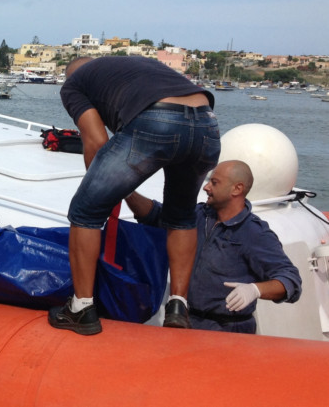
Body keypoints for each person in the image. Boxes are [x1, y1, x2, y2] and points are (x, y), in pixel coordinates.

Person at [48, 56, 221, 336]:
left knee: (85, 212)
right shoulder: (129, 66)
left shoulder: (74, 85)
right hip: (207, 125)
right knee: (181, 216)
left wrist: (99, 192)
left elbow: (96, 141)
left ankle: (81, 309)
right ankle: (178, 305)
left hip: (158, 118)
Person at [125, 160, 302, 333]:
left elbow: (290, 281)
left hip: (229, 332)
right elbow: (157, 216)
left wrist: (255, 290)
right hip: (186, 324)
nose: (206, 187)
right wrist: (127, 193)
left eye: (214, 183)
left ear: (237, 189)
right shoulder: (197, 216)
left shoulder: (254, 233)